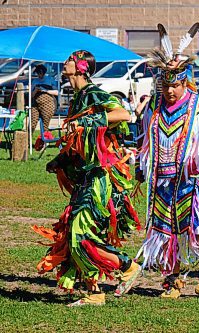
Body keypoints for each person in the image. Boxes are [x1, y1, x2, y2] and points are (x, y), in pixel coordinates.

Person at [32, 50, 142, 306]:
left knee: (79, 234)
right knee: (74, 234)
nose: (65, 62)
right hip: (84, 176)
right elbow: (79, 139)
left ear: (81, 67)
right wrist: (56, 154)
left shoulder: (92, 93)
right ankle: (94, 292)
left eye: (70, 59)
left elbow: (123, 114)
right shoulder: (77, 97)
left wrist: (90, 121)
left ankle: (128, 267)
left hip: (98, 178)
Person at [135, 22, 199, 299]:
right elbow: (145, 139)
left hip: (194, 181)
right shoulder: (154, 109)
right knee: (164, 234)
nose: (170, 91)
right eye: (166, 85)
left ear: (186, 81)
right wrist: (140, 166)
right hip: (162, 181)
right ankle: (172, 279)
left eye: (176, 85)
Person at [30, 64, 58, 133]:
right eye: (38, 73)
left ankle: (43, 141)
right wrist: (35, 90)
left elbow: (57, 92)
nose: (39, 75)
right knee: (32, 124)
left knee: (45, 125)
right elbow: (31, 96)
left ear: (44, 72)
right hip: (35, 104)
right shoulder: (35, 81)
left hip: (47, 104)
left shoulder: (50, 79)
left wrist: (46, 91)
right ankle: (28, 141)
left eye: (40, 73)